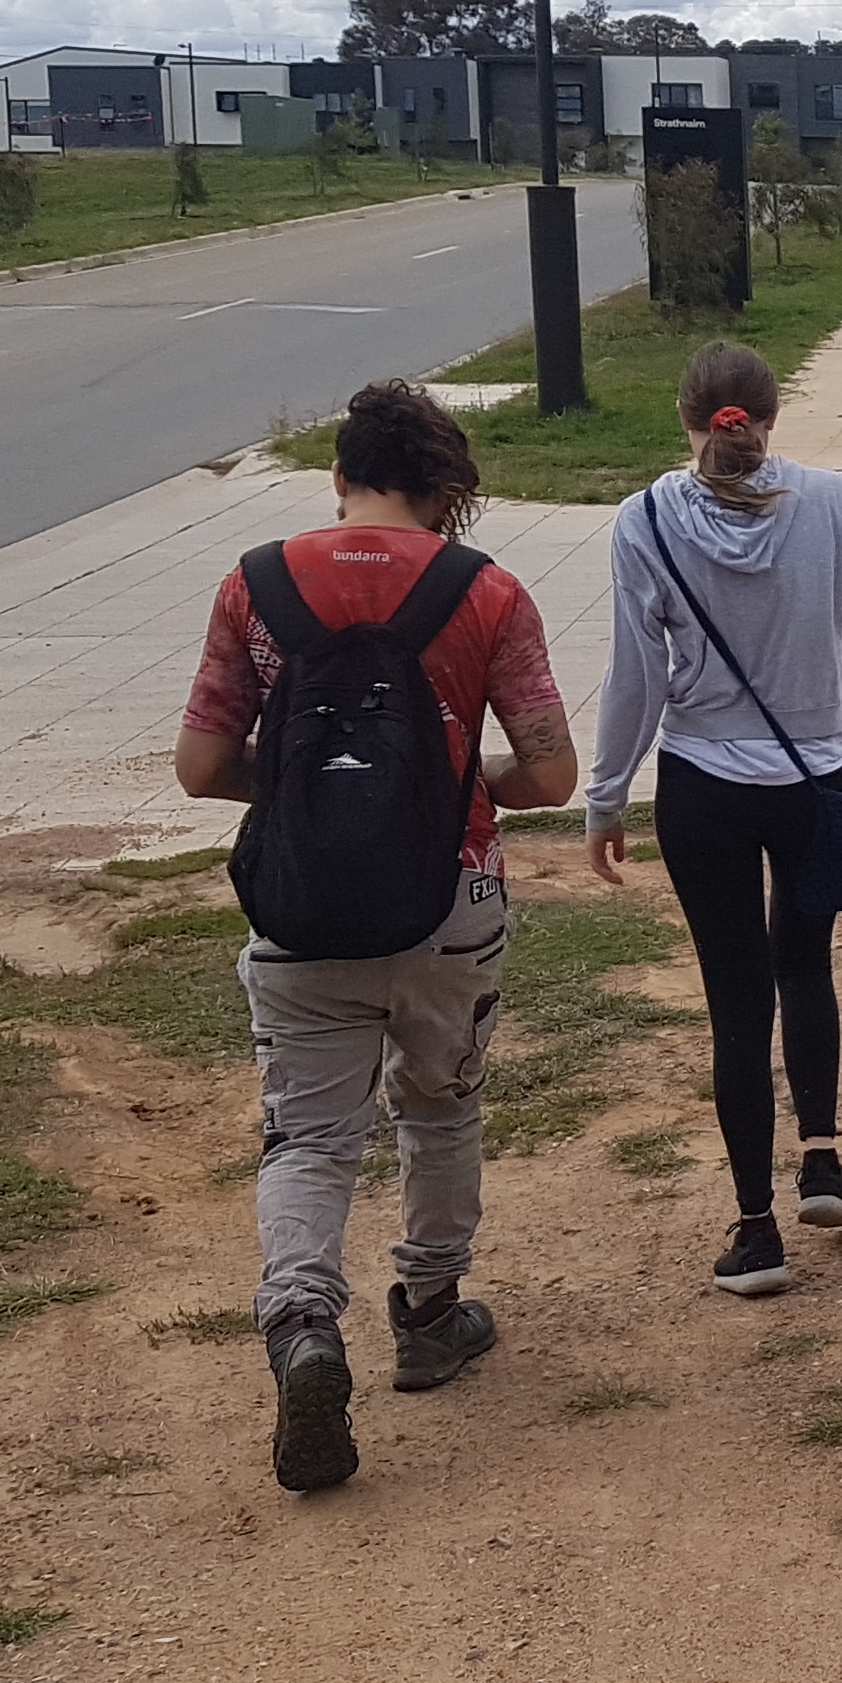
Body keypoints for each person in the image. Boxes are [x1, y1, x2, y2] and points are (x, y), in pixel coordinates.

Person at [174, 380, 575, 1496]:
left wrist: (313, 794)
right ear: (444, 489)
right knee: (439, 1108)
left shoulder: (254, 586)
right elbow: (549, 772)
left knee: (308, 1138)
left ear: (339, 477)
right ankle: (432, 1314)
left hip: (299, 908)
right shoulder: (486, 591)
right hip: (453, 901)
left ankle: (304, 1323)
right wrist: (442, 791)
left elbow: (202, 768)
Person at [586, 341, 842, 1300]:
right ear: (771, 414)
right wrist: (823, 720)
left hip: (703, 780)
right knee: (808, 965)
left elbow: (636, 673)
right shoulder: (834, 503)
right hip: (812, 771)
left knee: (736, 1000)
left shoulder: (645, 520)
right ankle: (823, 1158)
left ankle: (756, 1229)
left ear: (686, 419)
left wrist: (607, 792)